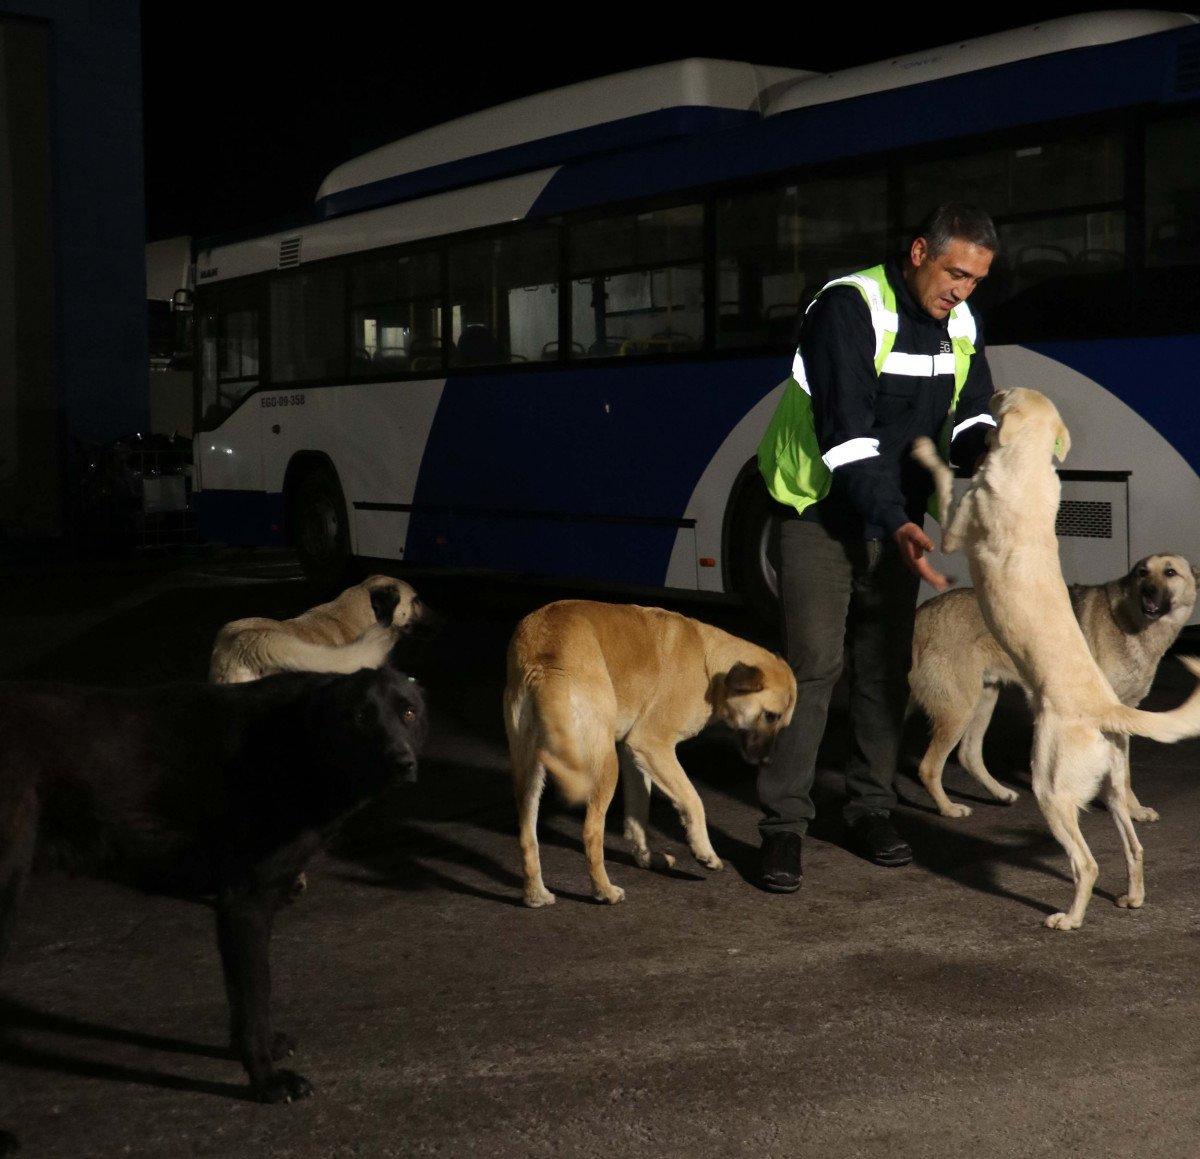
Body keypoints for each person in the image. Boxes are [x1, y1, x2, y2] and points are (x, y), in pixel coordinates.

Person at [755, 202, 999, 891]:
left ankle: (869, 807)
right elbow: (847, 439)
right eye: (956, 273)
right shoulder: (849, 306)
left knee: (884, 668)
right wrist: (897, 519)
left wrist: (991, 444)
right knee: (814, 664)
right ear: (919, 252)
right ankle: (782, 827)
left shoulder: (961, 321)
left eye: (977, 280)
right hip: (817, 510)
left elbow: (968, 412)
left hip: (898, 520)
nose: (963, 291)